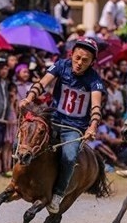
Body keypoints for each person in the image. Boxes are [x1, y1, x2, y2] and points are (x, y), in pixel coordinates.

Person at [19, 37, 105, 213]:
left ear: (92, 63)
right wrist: (28, 98)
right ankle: (17, 181)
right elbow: (42, 84)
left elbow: (96, 107)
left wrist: (92, 126)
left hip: (73, 128)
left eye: (85, 60)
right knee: (25, 139)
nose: (79, 63)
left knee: (69, 156)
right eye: (77, 57)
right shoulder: (60, 65)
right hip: (53, 119)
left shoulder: (95, 81)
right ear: (71, 54)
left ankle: (58, 194)